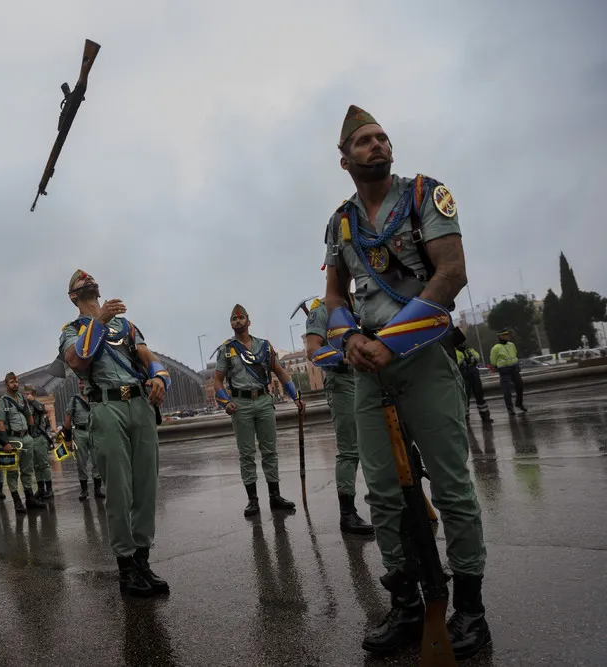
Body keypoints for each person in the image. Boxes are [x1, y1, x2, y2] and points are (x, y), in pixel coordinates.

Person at [320, 105, 489, 659]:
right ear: (344, 159)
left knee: (452, 487)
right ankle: (407, 605)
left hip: (423, 358)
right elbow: (335, 295)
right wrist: (348, 337)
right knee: (384, 493)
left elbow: (452, 273)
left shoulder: (423, 195)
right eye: (364, 141)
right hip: (368, 370)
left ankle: (470, 610)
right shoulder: (341, 222)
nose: (378, 145)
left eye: (383, 137)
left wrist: (387, 342)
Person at [59, 269, 170, 597]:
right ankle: (126, 567)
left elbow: (147, 356)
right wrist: (99, 321)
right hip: (106, 407)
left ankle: (143, 560)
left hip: (140, 403)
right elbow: (77, 361)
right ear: (73, 297)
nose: (87, 281)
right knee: (119, 489)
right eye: (80, 282)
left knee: (146, 485)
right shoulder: (72, 330)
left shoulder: (126, 326)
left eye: (90, 279)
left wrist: (160, 376)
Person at [213, 304, 305, 517]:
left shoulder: (264, 346)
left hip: (264, 401)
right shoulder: (226, 349)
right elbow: (217, 382)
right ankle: (252, 501)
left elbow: (280, 372)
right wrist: (226, 403)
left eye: (241, 318)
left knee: (270, 451)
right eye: (234, 319)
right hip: (241, 405)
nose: (237, 321)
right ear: (231, 324)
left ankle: (275, 497)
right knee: (246, 454)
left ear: (248, 321)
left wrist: (296, 397)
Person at [304, 300, 375, 535]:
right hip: (342, 380)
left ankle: (387, 502)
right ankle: (348, 514)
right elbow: (312, 351)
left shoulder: (363, 303)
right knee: (350, 449)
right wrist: (343, 357)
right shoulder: (321, 311)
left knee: (381, 443)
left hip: (371, 376)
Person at [0, 373, 46, 514]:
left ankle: (30, 498)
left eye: (16, 382)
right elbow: (0, 423)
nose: (15, 384)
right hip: (12, 440)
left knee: (27, 470)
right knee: (12, 472)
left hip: (26, 438)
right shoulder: (2, 402)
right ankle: (17, 501)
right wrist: (5, 443)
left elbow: (29, 415)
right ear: (6, 384)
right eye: (12, 382)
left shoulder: (23, 398)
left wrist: (31, 433)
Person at [62, 379, 105, 501]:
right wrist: (67, 439)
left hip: (94, 431)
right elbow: (68, 419)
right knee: (81, 462)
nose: (82, 385)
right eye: (80, 383)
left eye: (84, 383)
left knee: (97, 460)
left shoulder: (95, 397)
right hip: (79, 432)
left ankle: (97, 489)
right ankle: (84, 490)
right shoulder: (74, 400)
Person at [23, 385, 54, 499]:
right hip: (30, 438)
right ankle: (41, 488)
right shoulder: (25, 407)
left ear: (33, 394)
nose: (26, 396)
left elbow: (41, 410)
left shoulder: (38, 404)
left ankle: (49, 489)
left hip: (39, 437)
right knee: (36, 466)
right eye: (25, 394)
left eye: (28, 393)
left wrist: (33, 401)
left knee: (43, 464)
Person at [490, 329, 526, 415]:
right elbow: (493, 361)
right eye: (505, 335)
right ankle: (510, 408)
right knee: (507, 390)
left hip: (514, 369)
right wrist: (499, 367)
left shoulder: (511, 345)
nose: (507, 336)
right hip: (504, 371)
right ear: (500, 336)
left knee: (520, 385)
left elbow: (515, 354)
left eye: (507, 335)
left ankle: (519, 403)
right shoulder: (496, 348)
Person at [456, 340, 493, 423]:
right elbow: (457, 362)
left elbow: (477, 356)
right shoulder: (455, 352)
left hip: (474, 375)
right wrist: (464, 362)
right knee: (465, 398)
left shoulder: (469, 349)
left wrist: (472, 359)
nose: (462, 344)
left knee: (480, 395)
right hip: (464, 376)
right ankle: (465, 418)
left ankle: (485, 416)